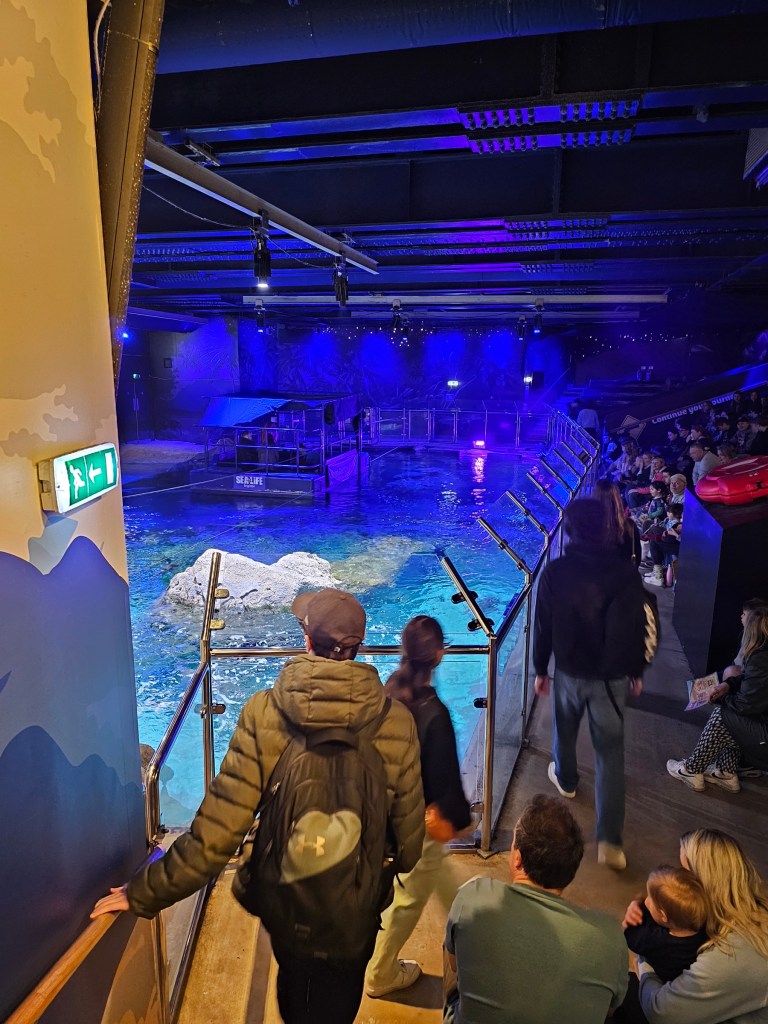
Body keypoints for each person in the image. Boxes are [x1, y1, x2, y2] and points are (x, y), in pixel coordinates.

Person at [92, 588, 425, 1024]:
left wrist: (143, 891)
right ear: (360, 646)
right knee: (339, 1002)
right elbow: (410, 847)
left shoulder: (264, 713)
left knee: (298, 999)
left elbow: (216, 834)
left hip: (289, 909)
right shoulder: (395, 720)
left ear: (307, 641)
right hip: (356, 914)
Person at [533, 498, 655, 870]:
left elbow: (544, 626)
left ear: (569, 530)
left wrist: (541, 669)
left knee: (564, 732)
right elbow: (634, 626)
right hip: (611, 680)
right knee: (610, 758)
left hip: (569, 672)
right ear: (606, 528)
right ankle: (610, 841)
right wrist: (636, 670)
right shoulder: (624, 573)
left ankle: (566, 779)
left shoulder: (556, 572)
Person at [444, 796, 627, 1024]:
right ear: (570, 871)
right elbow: (611, 1006)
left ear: (517, 859)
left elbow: (454, 963)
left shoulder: (473, 896)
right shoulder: (610, 936)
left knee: (454, 943)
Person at [365, 616, 471, 998]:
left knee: (433, 873)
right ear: (439, 656)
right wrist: (461, 819)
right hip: (417, 821)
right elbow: (444, 779)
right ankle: (379, 972)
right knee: (410, 896)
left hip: (382, 810)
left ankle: (468, 934)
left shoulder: (388, 689)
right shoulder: (435, 714)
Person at [623, 829, 768, 1023]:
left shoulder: (730, 954)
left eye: (685, 874)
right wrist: (645, 911)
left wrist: (645, 964)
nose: (678, 881)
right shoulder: (749, 910)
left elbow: (662, 1013)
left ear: (707, 883)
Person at [667, 604, 768, 793]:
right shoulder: (762, 656)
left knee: (724, 715)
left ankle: (692, 770)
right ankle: (725, 773)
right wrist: (728, 685)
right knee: (734, 720)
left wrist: (719, 699)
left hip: (764, 739)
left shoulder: (761, 658)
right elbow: (752, 684)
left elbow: (744, 706)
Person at [623, 866, 708, 983]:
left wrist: (639, 905)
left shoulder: (654, 940)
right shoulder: (704, 929)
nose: (646, 901)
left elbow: (630, 936)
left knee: (638, 962)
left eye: (650, 899)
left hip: (662, 981)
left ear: (663, 916)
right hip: (683, 980)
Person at [593, 478, 641, 563]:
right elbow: (637, 558)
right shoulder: (629, 525)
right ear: (617, 499)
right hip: (624, 574)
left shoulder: (589, 527)